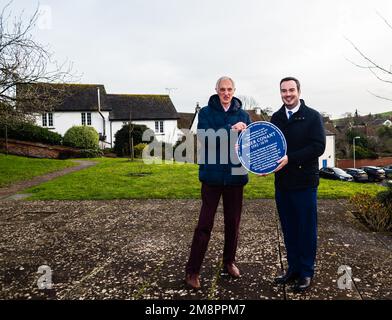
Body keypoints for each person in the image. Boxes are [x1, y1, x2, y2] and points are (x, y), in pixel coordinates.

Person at [185, 76, 251, 290]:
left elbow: (249, 145)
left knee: (233, 223)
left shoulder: (243, 114)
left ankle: (229, 262)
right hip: (212, 177)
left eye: (229, 89)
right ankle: (193, 271)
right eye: (222, 89)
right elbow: (206, 138)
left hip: (236, 176)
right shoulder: (205, 112)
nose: (226, 93)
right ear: (216, 90)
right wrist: (231, 130)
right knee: (204, 224)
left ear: (234, 90)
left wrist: (260, 165)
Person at [270, 77, 326, 293]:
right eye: (284, 91)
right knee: (289, 228)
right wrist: (260, 163)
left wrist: (290, 159)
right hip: (283, 183)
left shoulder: (312, 116)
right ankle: (292, 269)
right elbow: (269, 145)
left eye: (291, 90)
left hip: (305, 183)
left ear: (299, 91)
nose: (288, 94)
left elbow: (318, 147)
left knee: (306, 229)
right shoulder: (276, 117)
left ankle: (306, 273)